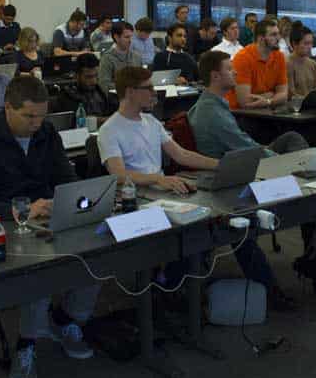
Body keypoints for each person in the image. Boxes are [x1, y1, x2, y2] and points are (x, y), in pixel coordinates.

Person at [102, 66, 295, 311]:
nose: (154, 93)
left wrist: (221, 165)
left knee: (235, 220)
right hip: (138, 199)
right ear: (130, 92)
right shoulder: (110, 130)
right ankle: (171, 283)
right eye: (148, 88)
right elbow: (119, 175)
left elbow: (181, 155)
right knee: (205, 228)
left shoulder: (150, 122)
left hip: (164, 193)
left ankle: (266, 289)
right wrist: (158, 179)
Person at [0, 77, 98, 378]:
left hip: (44, 217)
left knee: (97, 251)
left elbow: (66, 177)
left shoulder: (47, 133)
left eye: (42, 116)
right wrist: (19, 209)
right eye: (29, 116)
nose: (36, 124)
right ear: (8, 107)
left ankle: (66, 318)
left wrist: (72, 201)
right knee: (40, 265)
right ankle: (27, 341)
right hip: (4, 223)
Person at [188, 51, 308, 159]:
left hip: (238, 155)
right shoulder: (214, 113)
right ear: (215, 76)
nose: (235, 72)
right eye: (229, 69)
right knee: (295, 145)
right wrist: (281, 160)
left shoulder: (206, 103)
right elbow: (247, 149)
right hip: (233, 165)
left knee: (291, 138)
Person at [227, 18, 288, 110]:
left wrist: (268, 101)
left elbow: (284, 96)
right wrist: (272, 94)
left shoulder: (279, 56)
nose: (278, 38)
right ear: (261, 39)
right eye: (273, 35)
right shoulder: (243, 58)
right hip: (241, 113)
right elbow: (245, 102)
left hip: (266, 110)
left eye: (278, 34)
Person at [52, 53, 118, 117]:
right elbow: (77, 120)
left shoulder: (101, 92)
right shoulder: (67, 96)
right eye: (89, 77)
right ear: (76, 76)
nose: (94, 81)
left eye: (96, 75)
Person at [97, 20, 140, 92]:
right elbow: (104, 84)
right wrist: (127, 87)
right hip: (117, 96)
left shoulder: (136, 57)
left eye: (131, 37)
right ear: (116, 37)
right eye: (127, 37)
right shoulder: (107, 58)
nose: (130, 40)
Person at [286, 23, 316, 98]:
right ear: (295, 44)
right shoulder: (288, 64)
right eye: (306, 43)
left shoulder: (313, 63)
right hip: (296, 104)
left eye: (311, 43)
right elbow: (291, 94)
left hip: (311, 102)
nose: (310, 47)